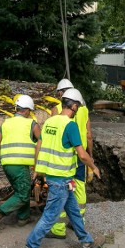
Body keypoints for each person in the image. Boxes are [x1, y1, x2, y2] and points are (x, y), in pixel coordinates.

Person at [21, 88, 104, 248]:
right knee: (50, 217)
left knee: (73, 211)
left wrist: (38, 169)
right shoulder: (70, 125)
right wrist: (93, 167)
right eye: (78, 108)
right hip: (61, 179)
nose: (78, 111)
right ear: (73, 106)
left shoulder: (50, 122)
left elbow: (41, 146)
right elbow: (82, 155)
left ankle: (87, 243)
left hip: (56, 177)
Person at [0, 94, 41, 233]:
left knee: (21, 190)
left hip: (7, 165)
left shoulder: (5, 124)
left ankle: (23, 218)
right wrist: (39, 163)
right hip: (20, 164)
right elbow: (42, 143)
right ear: (27, 110)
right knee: (23, 194)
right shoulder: (32, 124)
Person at [48, 83, 92, 240]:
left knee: (62, 187)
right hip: (81, 155)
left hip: (64, 155)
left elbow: (51, 133)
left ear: (61, 93)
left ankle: (58, 227)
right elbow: (88, 135)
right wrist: (90, 156)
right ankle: (78, 221)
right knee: (79, 186)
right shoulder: (84, 110)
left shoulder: (57, 109)